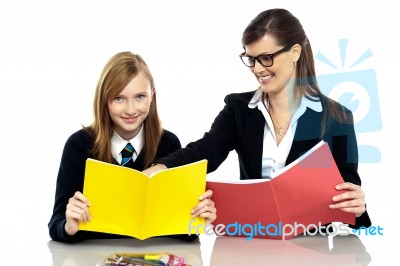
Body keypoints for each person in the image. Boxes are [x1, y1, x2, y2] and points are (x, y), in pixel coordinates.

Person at [144, 9, 371, 228]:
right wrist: (159, 169)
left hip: (310, 247)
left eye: (266, 58)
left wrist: (357, 206)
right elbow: (206, 151)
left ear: (295, 52)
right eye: (251, 59)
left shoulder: (337, 118)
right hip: (251, 240)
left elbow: (348, 192)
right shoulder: (239, 109)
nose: (257, 68)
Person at [48, 51, 216, 242]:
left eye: (140, 97)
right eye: (119, 98)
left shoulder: (168, 144)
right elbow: (56, 224)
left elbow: (182, 233)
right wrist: (69, 226)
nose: (130, 110)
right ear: (104, 99)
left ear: (152, 95)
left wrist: (197, 218)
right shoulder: (78, 145)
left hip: (151, 258)